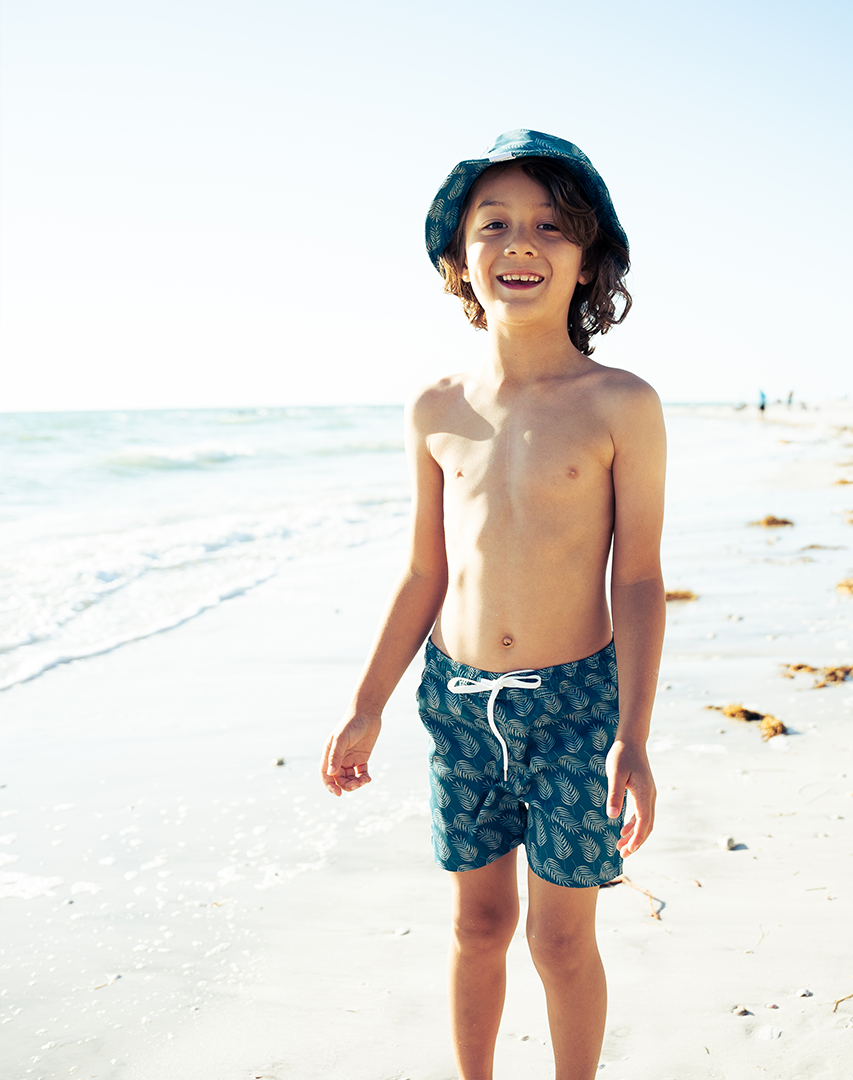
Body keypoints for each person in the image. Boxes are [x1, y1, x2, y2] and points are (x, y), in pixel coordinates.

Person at [321, 130, 666, 1080]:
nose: (523, 242)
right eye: (496, 223)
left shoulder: (619, 404)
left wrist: (632, 735)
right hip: (458, 704)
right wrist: (367, 704)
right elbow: (423, 572)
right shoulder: (435, 407)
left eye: (552, 226)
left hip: (575, 709)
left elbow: (636, 577)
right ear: (458, 259)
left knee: (560, 943)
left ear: (589, 257)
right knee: (479, 925)